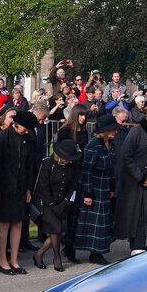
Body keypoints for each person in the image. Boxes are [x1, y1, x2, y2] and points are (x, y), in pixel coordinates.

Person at [114, 102, 147, 253]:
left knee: (145, 211)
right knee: (132, 212)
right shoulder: (136, 131)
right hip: (132, 179)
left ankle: (139, 243)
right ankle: (134, 243)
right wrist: (140, 177)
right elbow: (126, 155)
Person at [0, 110, 38, 275]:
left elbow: (29, 166)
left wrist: (28, 189)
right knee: (4, 223)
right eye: (25, 128)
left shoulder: (28, 139)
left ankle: (14, 260)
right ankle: (3, 261)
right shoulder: (1, 138)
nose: (27, 132)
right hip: (4, 187)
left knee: (18, 223)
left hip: (20, 186)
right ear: (17, 124)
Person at [76, 115, 118, 264]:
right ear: (105, 131)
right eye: (112, 130)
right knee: (95, 222)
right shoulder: (93, 145)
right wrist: (88, 193)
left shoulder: (111, 144)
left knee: (104, 222)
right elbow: (86, 170)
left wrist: (112, 187)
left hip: (105, 187)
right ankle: (94, 253)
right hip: (93, 188)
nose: (115, 132)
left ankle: (97, 252)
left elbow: (112, 167)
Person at [33, 139, 81, 271]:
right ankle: (57, 257)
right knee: (56, 229)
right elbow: (43, 186)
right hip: (46, 202)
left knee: (62, 232)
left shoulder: (72, 166)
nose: (69, 161)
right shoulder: (47, 163)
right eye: (67, 158)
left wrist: (65, 202)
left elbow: (73, 186)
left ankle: (39, 254)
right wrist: (52, 204)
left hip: (63, 202)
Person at [57, 104, 90, 260]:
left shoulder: (84, 132)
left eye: (85, 116)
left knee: (75, 212)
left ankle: (70, 247)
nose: (83, 118)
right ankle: (64, 245)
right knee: (66, 211)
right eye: (81, 115)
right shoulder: (65, 131)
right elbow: (60, 152)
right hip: (67, 173)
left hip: (79, 173)